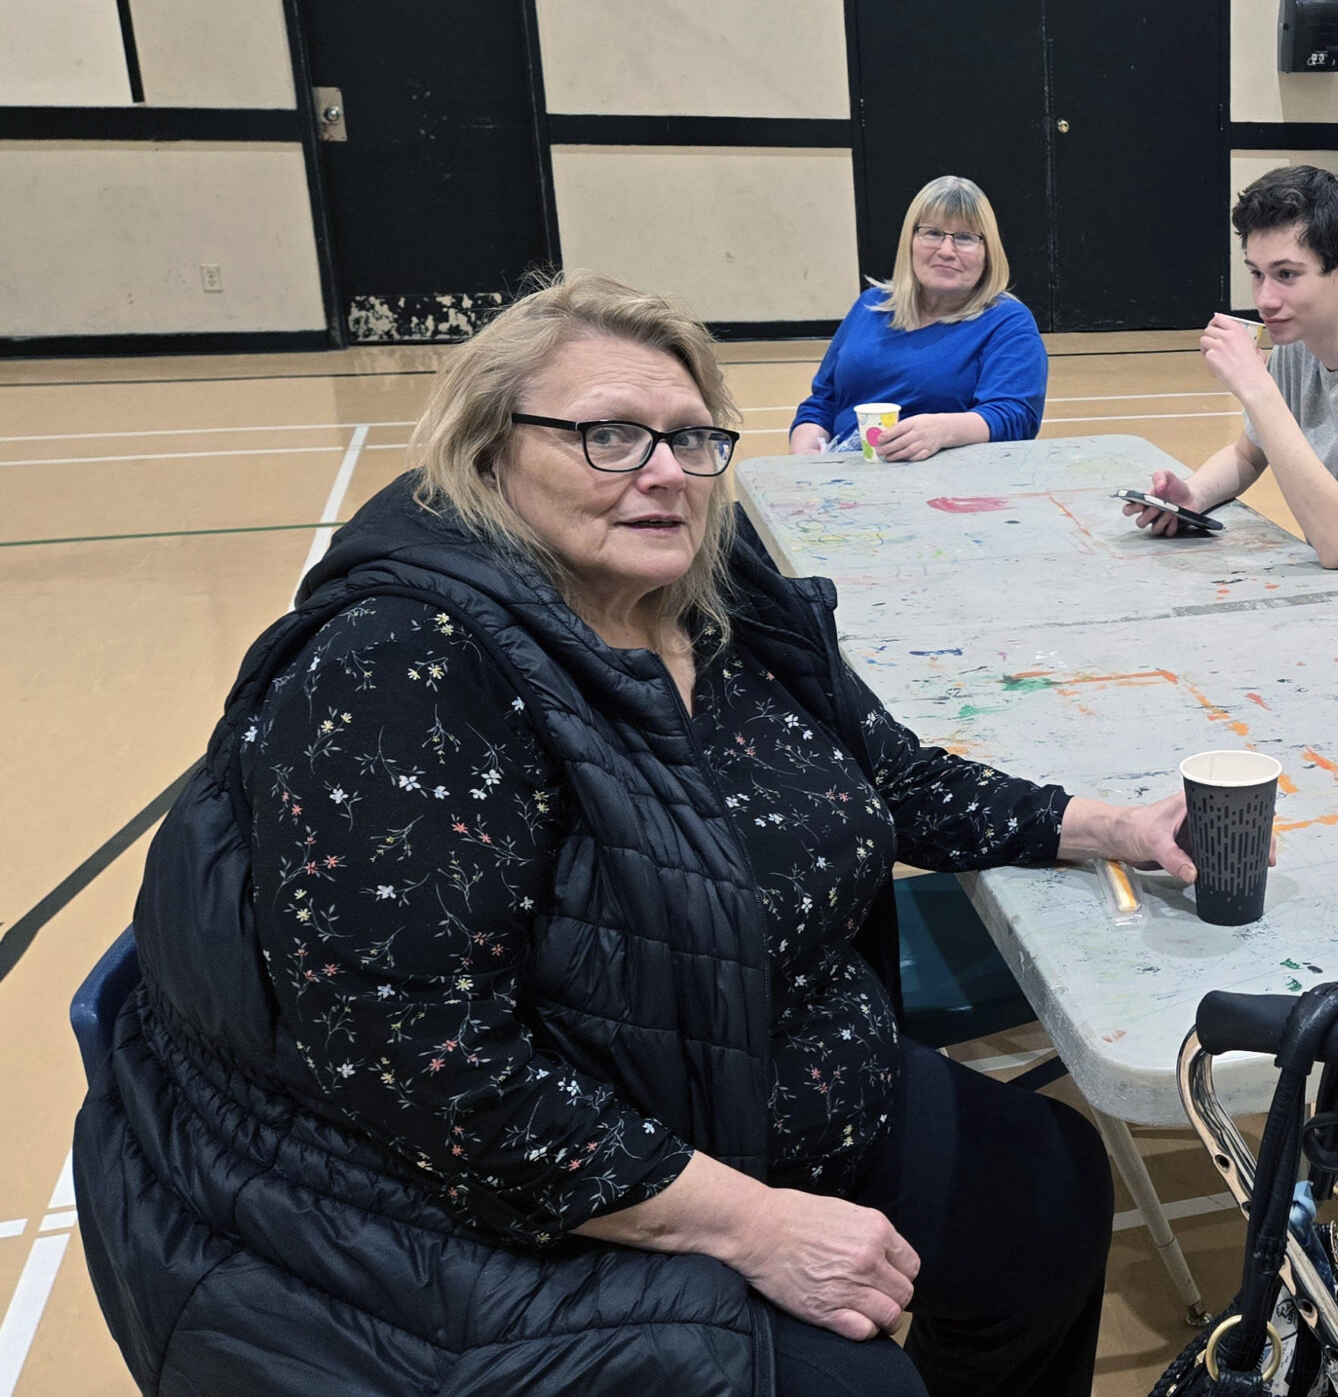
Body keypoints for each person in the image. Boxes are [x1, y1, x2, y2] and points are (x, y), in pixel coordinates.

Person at [74, 272, 1214, 1397]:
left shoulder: (716, 600)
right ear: (488, 456)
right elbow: (412, 1057)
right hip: (489, 1199)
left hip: (749, 1077)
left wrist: (1099, 823)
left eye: (689, 439)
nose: (665, 473)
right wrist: (751, 1225)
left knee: (1047, 1188)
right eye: (608, 437)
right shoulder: (403, 666)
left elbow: (889, 771)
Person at [1124, 165, 1338, 630]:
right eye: (1257, 274)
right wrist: (1192, 496)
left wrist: (1256, 388)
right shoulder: (1299, 344)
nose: (1266, 299)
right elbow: (1249, 454)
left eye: (1287, 275)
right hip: (1334, 599)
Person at [789, 176, 1046, 462]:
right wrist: (806, 447)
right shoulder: (870, 305)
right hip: (847, 478)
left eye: (965, 238)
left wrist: (943, 431)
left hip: (948, 488)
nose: (946, 251)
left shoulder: (1007, 322)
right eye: (933, 233)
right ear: (910, 240)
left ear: (988, 251)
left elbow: (1015, 415)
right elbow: (824, 399)